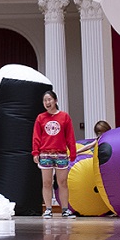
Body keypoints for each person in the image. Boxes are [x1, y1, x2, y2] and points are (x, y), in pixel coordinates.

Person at [32, 90, 78, 218]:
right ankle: (48, 209)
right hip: (45, 154)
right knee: (47, 182)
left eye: (49, 99)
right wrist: (35, 152)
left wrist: (72, 152)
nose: (47, 102)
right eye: (45, 100)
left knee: (62, 182)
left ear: (55, 101)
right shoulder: (40, 118)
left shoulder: (64, 117)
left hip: (61, 154)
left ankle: (65, 209)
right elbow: (36, 137)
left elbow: (70, 136)